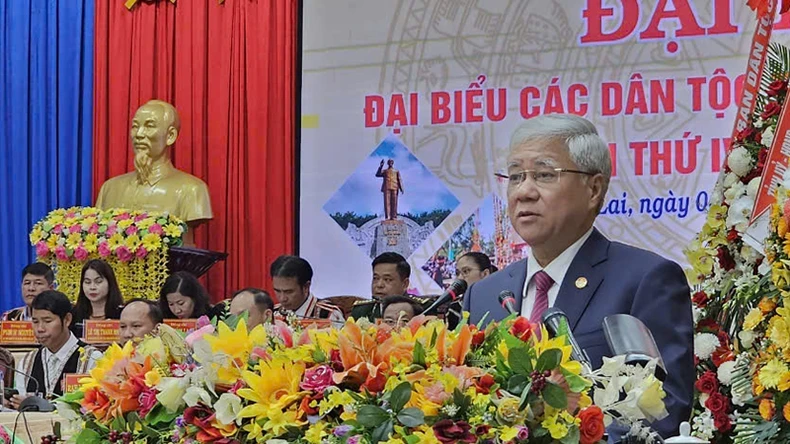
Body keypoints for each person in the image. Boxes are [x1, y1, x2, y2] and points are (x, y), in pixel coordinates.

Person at [461, 114, 693, 438]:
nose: (524, 192)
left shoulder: (646, 280)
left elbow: (663, 413)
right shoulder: (484, 294)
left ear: (594, 188)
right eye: (515, 176)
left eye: (543, 174)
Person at [95, 100, 212, 245]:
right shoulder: (110, 188)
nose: (139, 134)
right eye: (135, 126)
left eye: (149, 126)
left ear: (170, 136)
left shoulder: (192, 189)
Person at [12, 291, 101, 405]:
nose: (40, 328)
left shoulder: (92, 358)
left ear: (67, 320)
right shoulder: (27, 362)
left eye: (47, 321)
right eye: (35, 321)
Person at [350, 252, 430, 321]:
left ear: (405, 284)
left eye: (387, 279)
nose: (379, 285)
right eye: (376, 278)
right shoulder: (361, 310)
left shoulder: (423, 309)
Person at [270, 255, 344, 325]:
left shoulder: (329, 315)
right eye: (277, 291)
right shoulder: (272, 313)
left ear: (306, 287)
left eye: (289, 292)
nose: (282, 298)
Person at [70, 260, 124, 337]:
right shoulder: (73, 315)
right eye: (87, 282)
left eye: (98, 281)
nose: (92, 287)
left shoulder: (122, 314)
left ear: (110, 283)